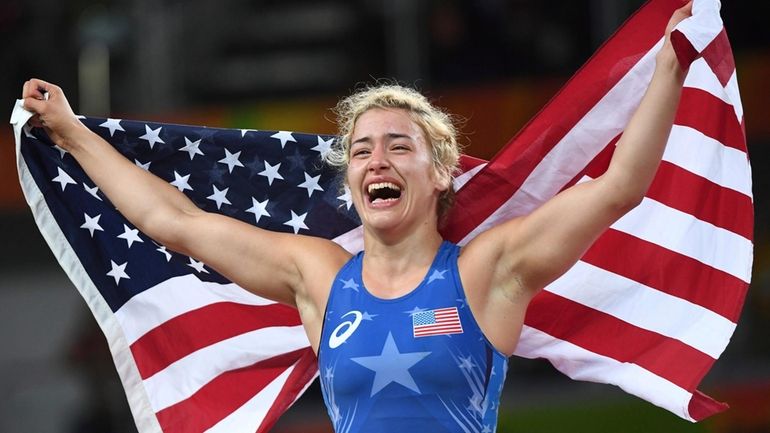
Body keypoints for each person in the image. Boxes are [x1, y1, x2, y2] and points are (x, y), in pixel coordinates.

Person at [20, 3, 692, 432]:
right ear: (350, 180)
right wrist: (73, 132)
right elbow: (176, 222)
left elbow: (618, 187)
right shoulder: (318, 275)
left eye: (400, 146)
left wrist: (667, 67)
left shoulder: (490, 268)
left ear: (440, 174)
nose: (378, 160)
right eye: (363, 149)